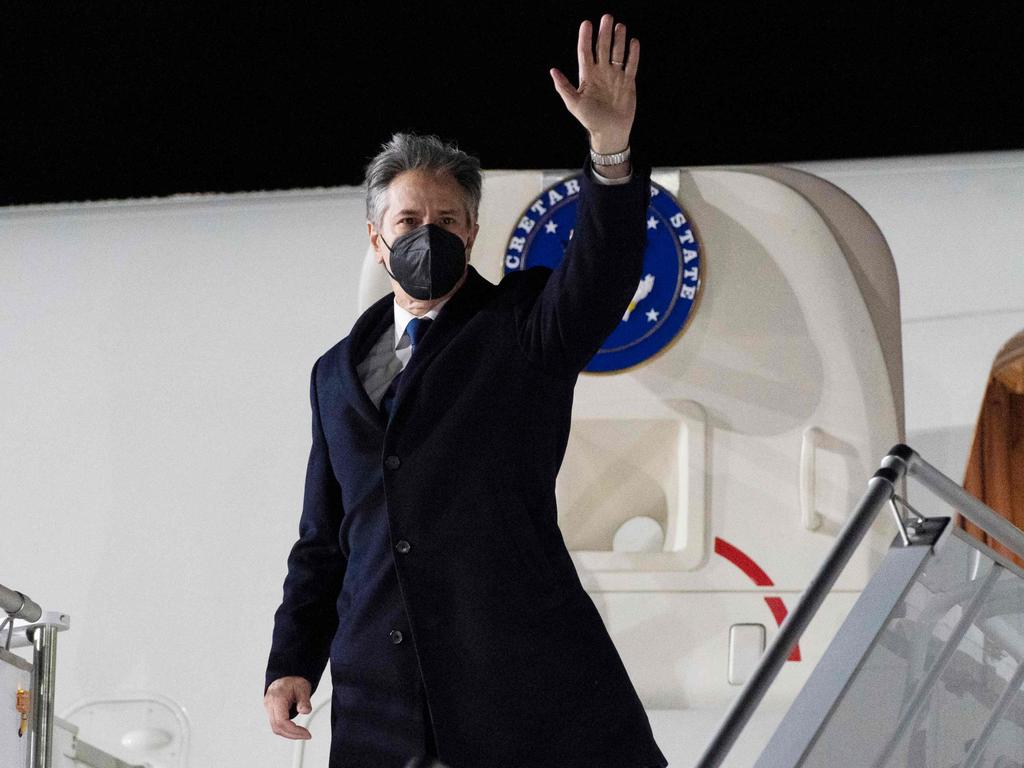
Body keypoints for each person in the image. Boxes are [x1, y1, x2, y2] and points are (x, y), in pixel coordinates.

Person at [264, 13, 668, 768]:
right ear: (377, 237)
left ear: (474, 232)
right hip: (380, 706)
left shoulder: (521, 329)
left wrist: (609, 152)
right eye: (409, 219)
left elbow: (604, 275)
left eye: (447, 219)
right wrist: (293, 658)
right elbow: (324, 537)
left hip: (517, 697)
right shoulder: (333, 373)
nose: (428, 233)